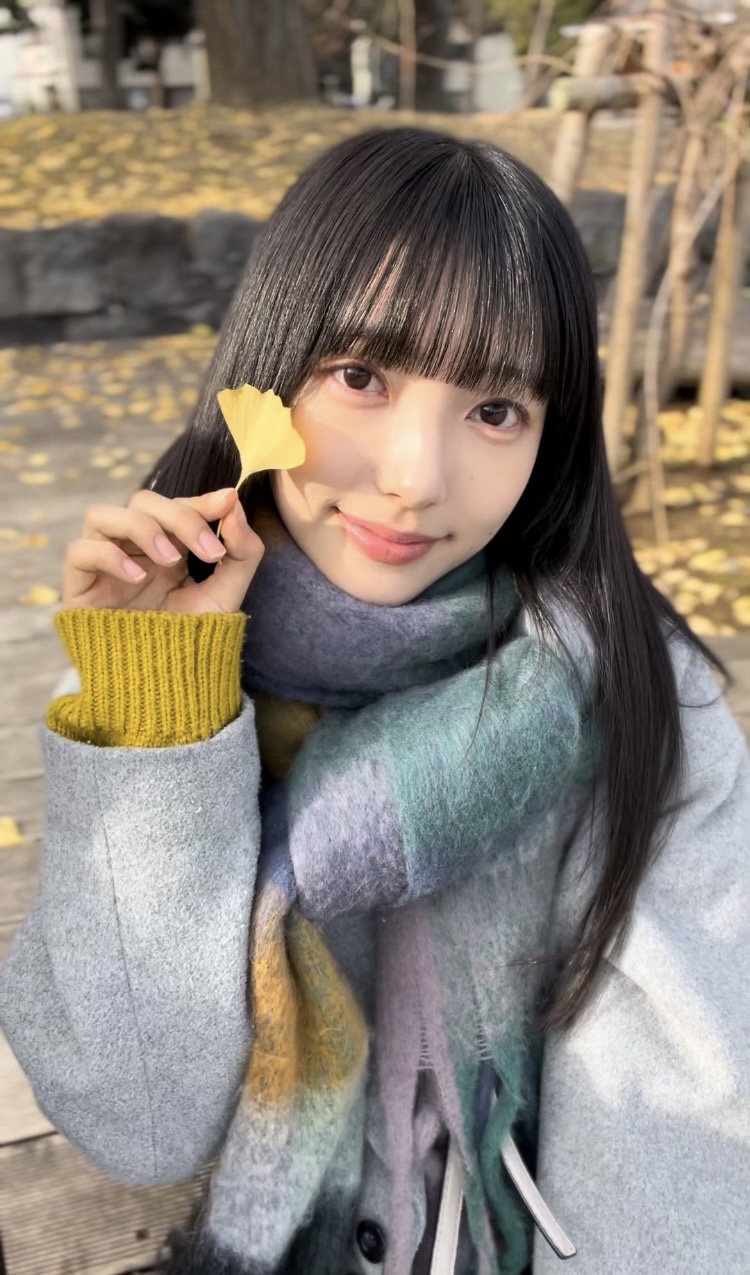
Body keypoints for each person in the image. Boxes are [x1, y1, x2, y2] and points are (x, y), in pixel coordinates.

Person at [1, 128, 748, 1275]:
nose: (416, 477)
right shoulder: (154, 666)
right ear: (268, 362)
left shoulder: (639, 698)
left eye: (495, 410)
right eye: (361, 377)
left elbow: (679, 1159)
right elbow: (139, 1123)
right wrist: (161, 717)